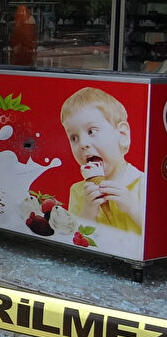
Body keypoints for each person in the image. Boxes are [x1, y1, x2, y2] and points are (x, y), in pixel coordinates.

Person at [61, 87, 145, 234]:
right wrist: (88, 211)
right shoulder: (78, 192)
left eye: (91, 131)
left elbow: (158, 235)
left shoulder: (144, 184)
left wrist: (132, 206)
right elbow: (74, 238)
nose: (82, 144)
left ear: (122, 135)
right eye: (74, 138)